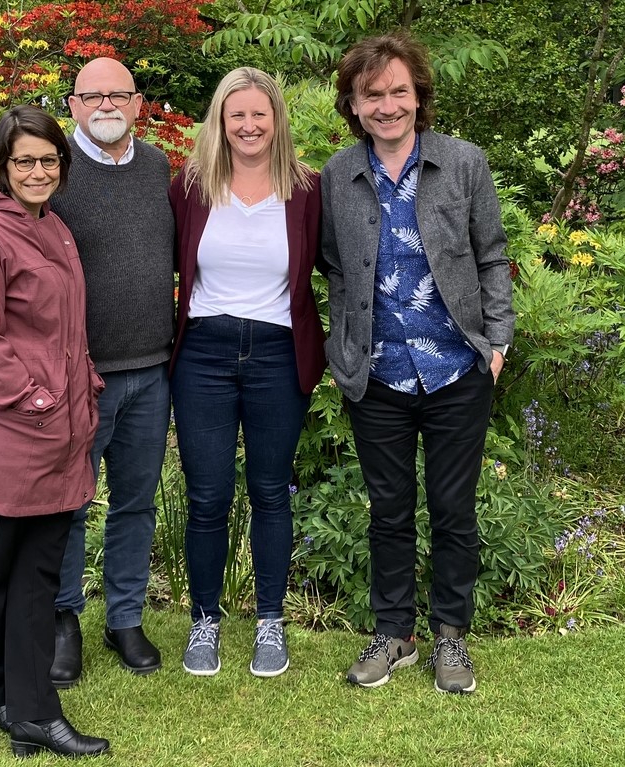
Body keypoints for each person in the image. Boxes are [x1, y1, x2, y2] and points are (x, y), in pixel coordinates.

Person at [320, 33, 513, 695]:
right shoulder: (338, 175)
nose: (386, 105)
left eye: (398, 91)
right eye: (371, 94)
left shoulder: (463, 164)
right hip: (376, 376)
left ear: (419, 96)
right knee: (389, 510)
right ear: (353, 102)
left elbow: (491, 255)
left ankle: (451, 636)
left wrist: (498, 341)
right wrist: (341, 348)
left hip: (458, 368)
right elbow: (336, 270)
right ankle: (394, 633)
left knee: (454, 509)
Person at [0, 104, 109, 757]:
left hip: (57, 427)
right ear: (2, 166)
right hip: (15, 430)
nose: (37, 171)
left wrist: (81, 383)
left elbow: (63, 327)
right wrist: (36, 398)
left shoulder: (52, 227)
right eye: (24, 161)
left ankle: (0, 699)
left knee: (25, 571)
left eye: (48, 160)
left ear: (61, 168)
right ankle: (28, 710)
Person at [168, 67, 325, 678]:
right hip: (204, 354)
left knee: (269, 492)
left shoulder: (306, 189)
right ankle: (204, 620)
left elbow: (337, 264)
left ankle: (269, 622)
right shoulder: (192, 185)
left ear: (277, 119)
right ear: (221, 120)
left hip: (277, 354)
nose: (249, 125)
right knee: (206, 495)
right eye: (238, 115)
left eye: (260, 114)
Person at [48, 57, 176, 687]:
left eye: (117, 94)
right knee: (70, 502)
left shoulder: (158, 169)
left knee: (135, 503)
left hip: (152, 370)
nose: (105, 104)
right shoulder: (54, 173)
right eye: (91, 94)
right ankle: (62, 616)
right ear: (72, 105)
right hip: (83, 373)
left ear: (137, 103)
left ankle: (124, 616)